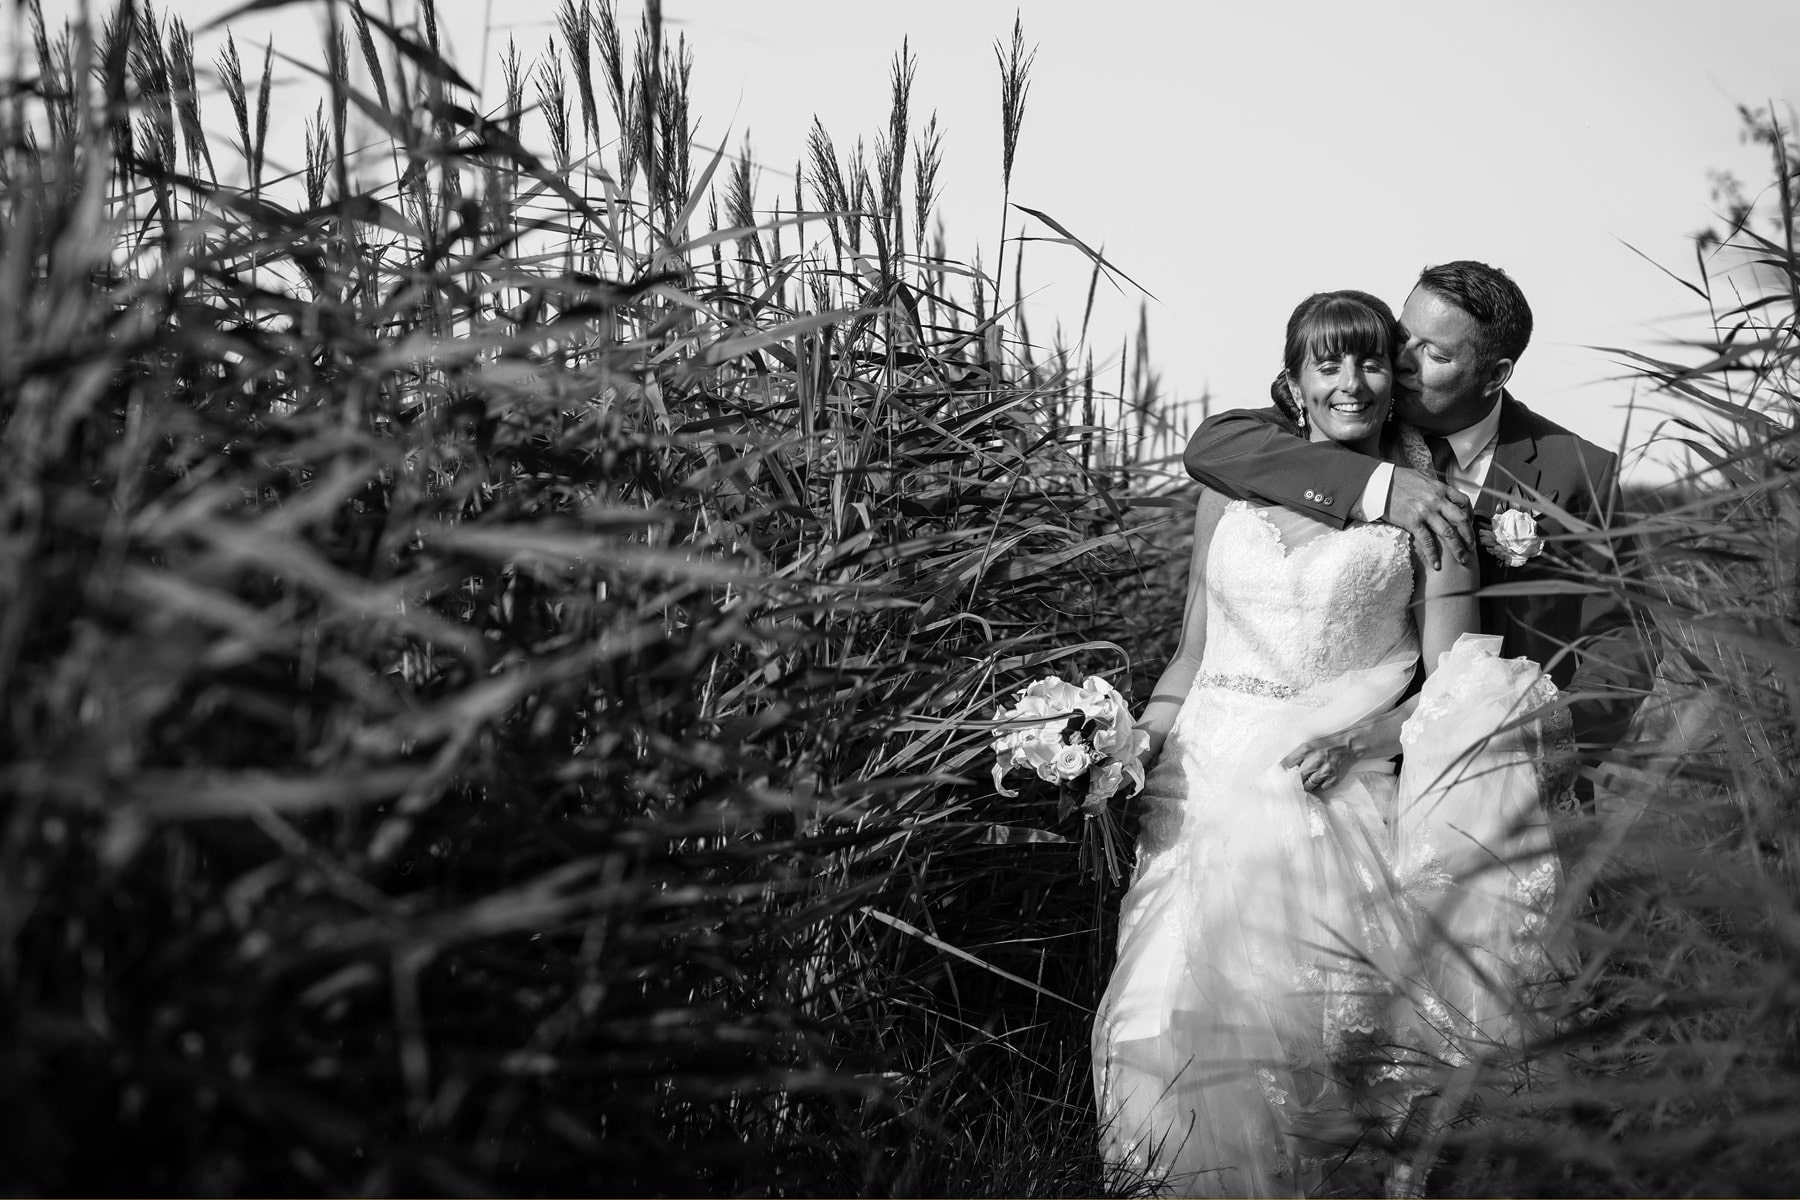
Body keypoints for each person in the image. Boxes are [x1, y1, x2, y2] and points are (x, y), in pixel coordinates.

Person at [1091, 290, 1565, 1196]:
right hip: (1195, 793)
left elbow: (1452, 691)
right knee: (1157, 1022)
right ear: (1295, 380)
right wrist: (1133, 742)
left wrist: (1362, 738)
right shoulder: (1230, 487)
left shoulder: (1435, 516)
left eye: (1371, 362)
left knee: (1305, 1048)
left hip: (1322, 803)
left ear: (1394, 381)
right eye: (1328, 364)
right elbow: (1191, 656)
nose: (1350, 381)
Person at [1182, 260, 1641, 791]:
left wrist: (1540, 747)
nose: (1401, 361)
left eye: (1435, 354)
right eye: (1404, 337)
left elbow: (1622, 644)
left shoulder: (1577, 471)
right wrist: (1377, 485)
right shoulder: (1352, 415)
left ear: (1494, 374)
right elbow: (1214, 445)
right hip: (1343, 778)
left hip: (1492, 780)